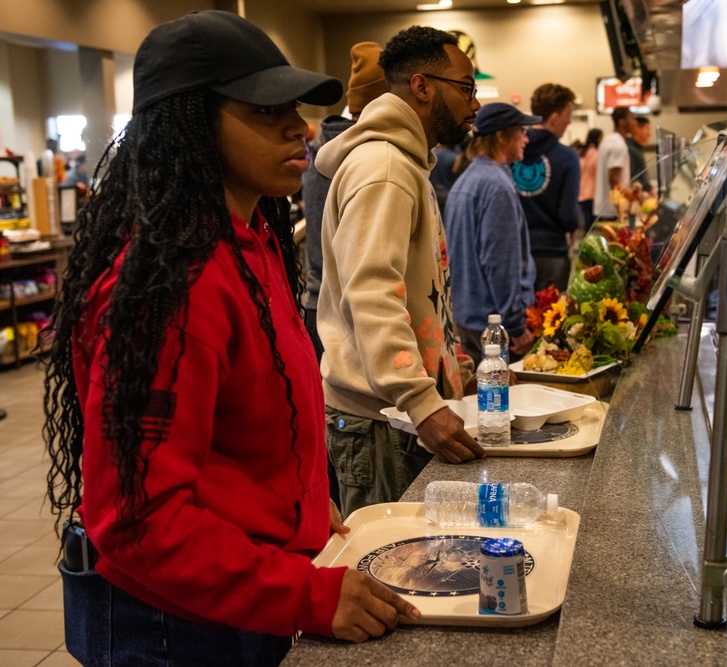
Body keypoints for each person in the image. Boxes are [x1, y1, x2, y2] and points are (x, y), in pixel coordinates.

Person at [42, 12, 420, 665]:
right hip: (174, 623)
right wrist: (305, 593)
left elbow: (245, 429)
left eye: (293, 107)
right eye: (260, 109)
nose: (297, 128)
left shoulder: (253, 243)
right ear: (187, 124)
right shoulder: (173, 281)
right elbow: (138, 520)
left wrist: (298, 504)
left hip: (235, 593)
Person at [315, 26, 485, 518]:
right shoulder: (385, 169)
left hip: (397, 414)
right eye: (466, 87)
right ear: (422, 86)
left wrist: (457, 373)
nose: (475, 104)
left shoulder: (409, 164)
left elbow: (424, 291)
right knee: (392, 578)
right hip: (380, 419)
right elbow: (370, 292)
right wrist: (421, 400)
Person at [301, 41, 388, 510]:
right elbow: (366, 282)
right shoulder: (361, 160)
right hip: (337, 312)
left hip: (324, 302)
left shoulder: (328, 152)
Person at [447, 102, 540, 367]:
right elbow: (500, 263)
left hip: (467, 318)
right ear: (501, 135)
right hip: (493, 326)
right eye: (521, 130)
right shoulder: (497, 187)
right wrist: (515, 324)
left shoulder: (465, 181)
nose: (526, 138)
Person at [511, 83, 580, 293]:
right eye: (568, 114)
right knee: (550, 321)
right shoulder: (567, 158)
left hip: (514, 251)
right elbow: (568, 215)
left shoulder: (510, 152)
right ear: (555, 117)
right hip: (552, 254)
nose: (569, 121)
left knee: (516, 320)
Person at [593, 106, 636, 221]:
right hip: (612, 212)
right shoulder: (618, 144)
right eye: (632, 119)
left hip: (602, 209)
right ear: (622, 122)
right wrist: (620, 208)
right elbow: (614, 179)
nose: (635, 122)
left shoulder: (607, 140)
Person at [577, 128, 602, 232]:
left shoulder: (582, 153)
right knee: (590, 227)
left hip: (581, 193)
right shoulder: (597, 154)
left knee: (585, 227)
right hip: (592, 193)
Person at [627, 116, 653, 193]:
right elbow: (632, 179)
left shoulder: (637, 149)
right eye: (647, 129)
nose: (649, 133)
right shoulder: (631, 150)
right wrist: (649, 187)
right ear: (637, 128)